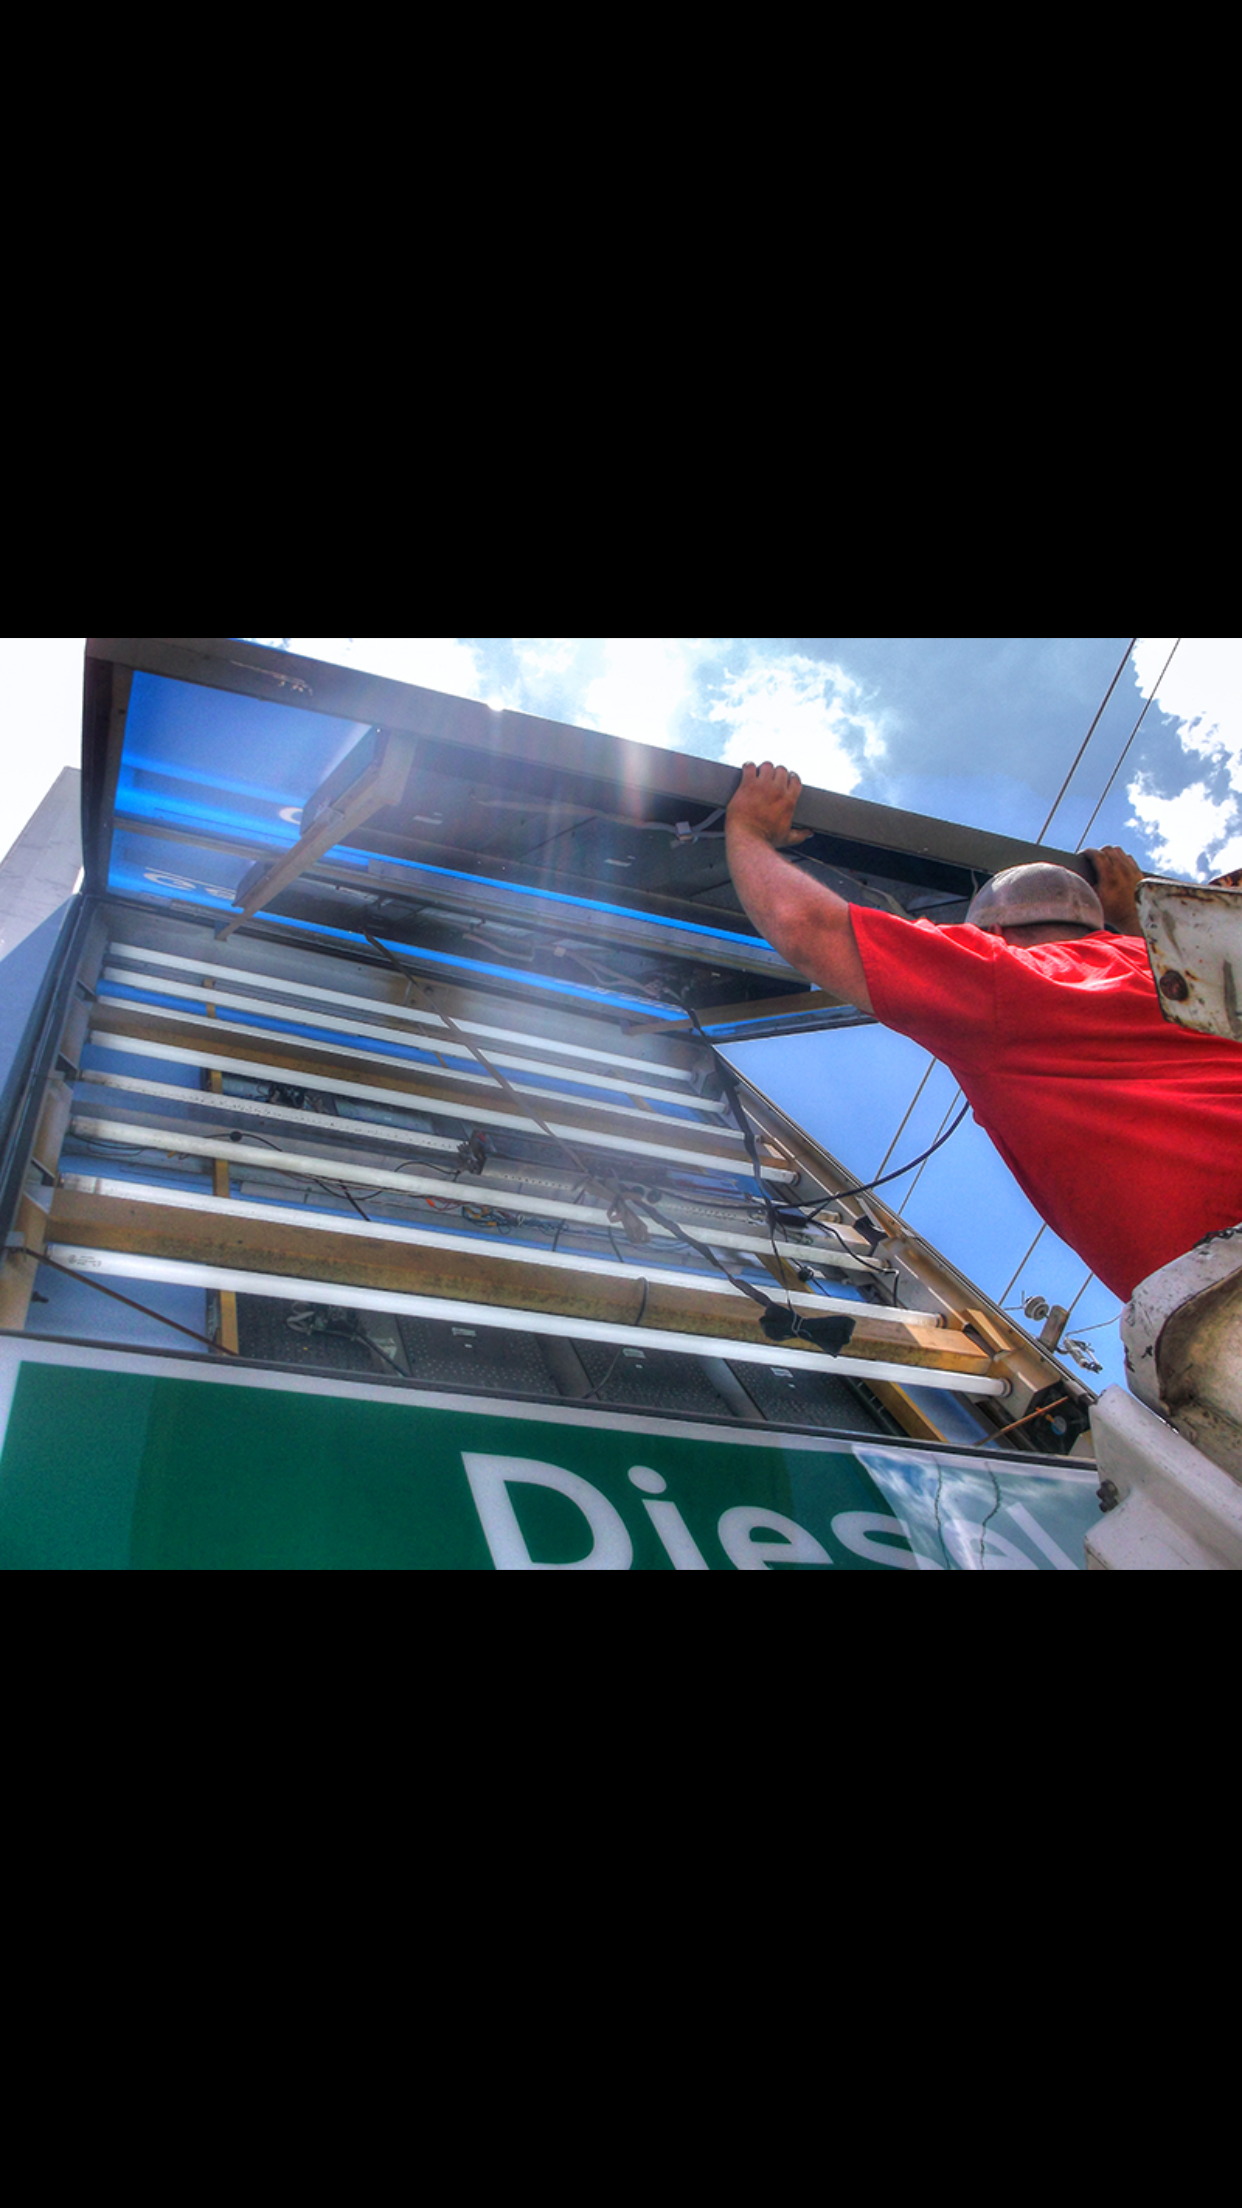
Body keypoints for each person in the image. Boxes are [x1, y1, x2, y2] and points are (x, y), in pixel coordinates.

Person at [725, 762, 1242, 1305]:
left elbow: (805, 924)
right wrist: (1139, 914)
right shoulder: (1177, 975)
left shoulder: (1017, 980)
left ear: (992, 932)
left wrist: (748, 831)